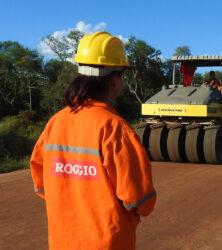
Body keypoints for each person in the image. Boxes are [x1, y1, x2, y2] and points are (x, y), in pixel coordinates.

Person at [30, 31, 156, 250]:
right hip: (107, 243)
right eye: (122, 76)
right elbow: (139, 200)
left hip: (62, 241)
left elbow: (41, 184)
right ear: (114, 80)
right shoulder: (115, 127)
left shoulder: (55, 122)